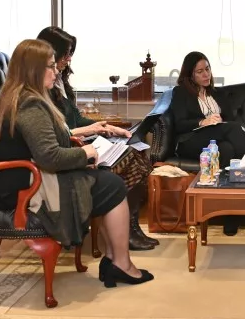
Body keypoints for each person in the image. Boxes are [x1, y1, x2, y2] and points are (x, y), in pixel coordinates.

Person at [0, 39, 153, 287]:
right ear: (34, 70)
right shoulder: (30, 104)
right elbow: (49, 157)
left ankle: (115, 260)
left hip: (24, 180)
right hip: (28, 188)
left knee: (107, 181)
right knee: (113, 185)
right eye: (51, 66)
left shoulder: (20, 97)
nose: (56, 71)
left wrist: (84, 151)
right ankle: (120, 263)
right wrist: (86, 154)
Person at [36, 26, 158, 251]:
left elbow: (75, 119)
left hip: (79, 142)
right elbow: (58, 133)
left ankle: (130, 226)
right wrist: (91, 129)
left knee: (139, 154)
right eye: (66, 53)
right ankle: (125, 228)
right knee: (132, 160)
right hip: (72, 148)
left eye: (70, 53)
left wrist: (105, 127)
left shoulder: (60, 81)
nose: (69, 59)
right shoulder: (41, 91)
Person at [171, 51, 245, 236]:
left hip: (216, 140)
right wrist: (203, 122)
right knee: (234, 130)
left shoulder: (217, 94)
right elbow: (179, 124)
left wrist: (220, 122)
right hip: (191, 140)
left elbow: (230, 120)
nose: (206, 74)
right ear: (190, 74)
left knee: (227, 149)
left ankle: (230, 215)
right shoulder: (180, 92)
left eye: (207, 69)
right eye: (200, 72)